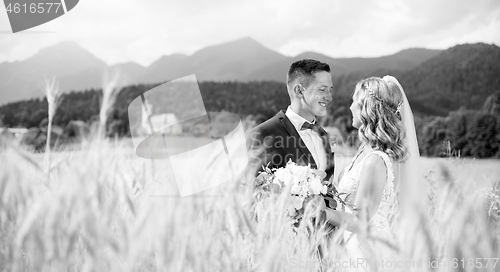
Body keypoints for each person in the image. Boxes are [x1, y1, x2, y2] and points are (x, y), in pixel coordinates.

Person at [324, 76, 421, 271]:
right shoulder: (365, 152)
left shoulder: (375, 162)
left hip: (364, 251)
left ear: (368, 109)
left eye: (355, 102)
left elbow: (360, 222)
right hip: (350, 245)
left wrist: (319, 210)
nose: (350, 107)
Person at [248, 59, 335, 183]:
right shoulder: (263, 134)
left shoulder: (324, 135)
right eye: (322, 90)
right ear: (299, 91)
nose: (329, 97)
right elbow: (254, 191)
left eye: (330, 90)